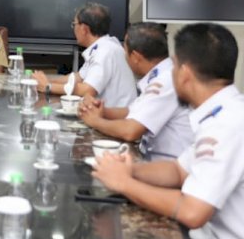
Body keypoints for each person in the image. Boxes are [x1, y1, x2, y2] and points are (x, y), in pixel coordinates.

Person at [93, 23, 244, 239]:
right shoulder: (222, 113)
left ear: (184, 73)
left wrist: (125, 184)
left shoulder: (228, 124)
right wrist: (131, 169)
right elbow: (178, 170)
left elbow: (192, 211)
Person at [79, 22, 192, 160]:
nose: (125, 57)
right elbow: (133, 111)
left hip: (168, 169)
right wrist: (102, 111)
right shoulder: (161, 75)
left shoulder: (165, 81)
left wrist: (95, 121)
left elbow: (130, 131)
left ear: (136, 57)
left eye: (125, 51)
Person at [33, 2, 136, 108]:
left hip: (114, 119)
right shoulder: (102, 46)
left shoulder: (105, 52)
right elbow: (78, 78)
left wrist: (48, 86)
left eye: (74, 24)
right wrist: (45, 80)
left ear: (84, 29)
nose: (73, 28)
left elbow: (87, 90)